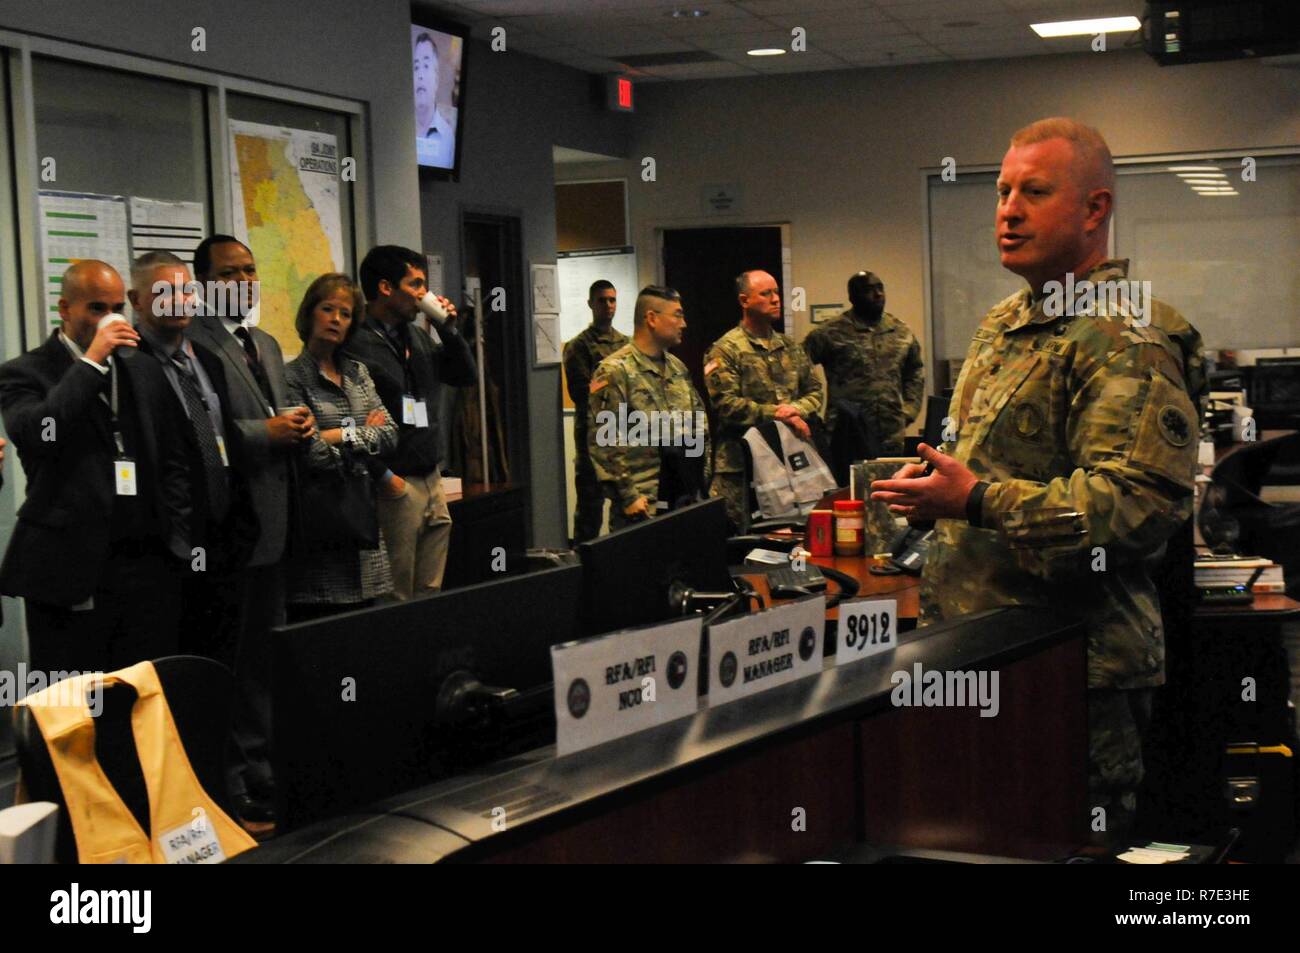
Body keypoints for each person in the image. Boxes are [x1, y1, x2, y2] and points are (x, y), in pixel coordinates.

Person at [870, 117, 1202, 847]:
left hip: (1074, 672)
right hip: (977, 649)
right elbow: (978, 463)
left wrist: (978, 499)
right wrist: (932, 490)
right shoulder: (1004, 324)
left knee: (1063, 848)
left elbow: (1138, 508)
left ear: (1095, 210)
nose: (1008, 210)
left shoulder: (1127, 337)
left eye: (1035, 191)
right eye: (1001, 191)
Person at [0, 260, 191, 675]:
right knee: (71, 699)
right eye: (96, 309)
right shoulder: (25, 371)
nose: (111, 319)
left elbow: (174, 458)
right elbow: (39, 434)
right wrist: (91, 361)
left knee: (140, 691)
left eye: (116, 307)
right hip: (71, 564)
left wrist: (176, 537)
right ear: (64, 309)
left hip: (145, 563)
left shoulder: (141, 367)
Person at [187, 233, 313, 835]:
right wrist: (267, 431)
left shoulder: (264, 341)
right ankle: (233, 781)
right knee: (232, 661)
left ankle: (264, 767)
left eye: (250, 270)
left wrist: (300, 424)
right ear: (205, 281)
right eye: (230, 273)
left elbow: (278, 411)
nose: (244, 281)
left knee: (266, 656)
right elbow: (203, 436)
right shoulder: (191, 342)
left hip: (281, 520)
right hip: (233, 527)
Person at [129, 251, 259, 658]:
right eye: (165, 291)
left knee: (222, 661)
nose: (179, 300)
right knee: (171, 664)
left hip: (224, 541)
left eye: (186, 290)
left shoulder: (209, 362)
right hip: (167, 548)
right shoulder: (126, 365)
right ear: (135, 301)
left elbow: (227, 445)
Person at [345, 245, 475, 599]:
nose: (423, 294)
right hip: (394, 484)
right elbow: (349, 421)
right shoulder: (355, 342)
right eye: (416, 284)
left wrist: (449, 331)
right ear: (386, 287)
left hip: (433, 478)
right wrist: (383, 476)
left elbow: (465, 375)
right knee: (396, 595)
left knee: (431, 592)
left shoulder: (416, 336)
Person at [284, 274, 398, 621]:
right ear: (310, 313)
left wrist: (337, 434)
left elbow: (390, 435)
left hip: (363, 524)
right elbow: (312, 452)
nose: (335, 319)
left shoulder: (358, 373)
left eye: (345, 314)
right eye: (327, 309)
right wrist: (362, 432)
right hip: (323, 525)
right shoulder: (290, 377)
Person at [704, 269, 822, 529]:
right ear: (745, 301)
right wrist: (776, 413)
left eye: (777, 292)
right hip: (740, 467)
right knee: (738, 539)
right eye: (766, 293)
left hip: (789, 463)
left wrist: (793, 410)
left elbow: (815, 392)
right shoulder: (725, 349)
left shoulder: (790, 347)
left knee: (789, 536)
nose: (776, 299)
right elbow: (726, 405)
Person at [588, 285, 709, 530]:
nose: (683, 323)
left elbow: (699, 425)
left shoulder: (677, 368)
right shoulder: (615, 371)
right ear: (652, 318)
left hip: (684, 498)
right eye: (677, 315)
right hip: (644, 506)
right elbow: (605, 441)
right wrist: (629, 496)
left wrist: (700, 481)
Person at [804, 271, 925, 456]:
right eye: (868, 290)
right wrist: (811, 411)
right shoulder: (830, 332)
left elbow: (914, 371)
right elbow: (799, 367)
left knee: (889, 484)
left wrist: (909, 410)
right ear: (852, 297)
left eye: (880, 288)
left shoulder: (900, 331)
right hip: (846, 432)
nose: (878, 294)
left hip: (890, 432)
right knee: (848, 484)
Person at [563, 280, 629, 542]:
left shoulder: (626, 344)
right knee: (590, 511)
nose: (608, 306)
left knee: (624, 504)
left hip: (623, 434)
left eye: (612, 300)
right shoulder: (579, 346)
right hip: (592, 437)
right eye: (602, 300)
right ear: (591, 304)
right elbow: (582, 393)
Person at [413, 30, 457, 168]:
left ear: (436, 78)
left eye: (426, 66)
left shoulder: (448, 137)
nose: (420, 75)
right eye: (416, 67)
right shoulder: (397, 131)